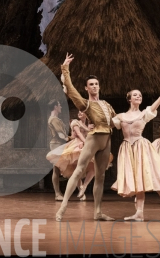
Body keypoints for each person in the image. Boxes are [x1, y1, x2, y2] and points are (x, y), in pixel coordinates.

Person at [56, 53, 116, 222]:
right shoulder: (86, 103)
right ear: (86, 88)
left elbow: (114, 122)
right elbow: (71, 89)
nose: (95, 86)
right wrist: (65, 68)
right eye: (91, 84)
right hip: (94, 138)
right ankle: (63, 207)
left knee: (101, 176)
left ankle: (98, 212)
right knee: (79, 170)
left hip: (107, 140)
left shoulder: (106, 104)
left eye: (96, 84)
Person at [111, 90, 160, 221]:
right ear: (129, 99)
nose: (138, 96)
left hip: (142, 147)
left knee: (155, 178)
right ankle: (139, 213)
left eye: (140, 95)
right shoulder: (120, 116)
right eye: (135, 95)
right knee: (137, 180)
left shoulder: (144, 114)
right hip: (127, 148)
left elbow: (154, 106)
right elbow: (107, 125)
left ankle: (139, 212)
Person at [47, 100, 68, 201]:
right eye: (59, 105)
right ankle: (57, 193)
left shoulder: (55, 119)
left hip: (59, 144)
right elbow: (60, 135)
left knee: (60, 168)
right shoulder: (54, 119)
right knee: (56, 168)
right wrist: (70, 139)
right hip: (56, 144)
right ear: (55, 107)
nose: (61, 107)